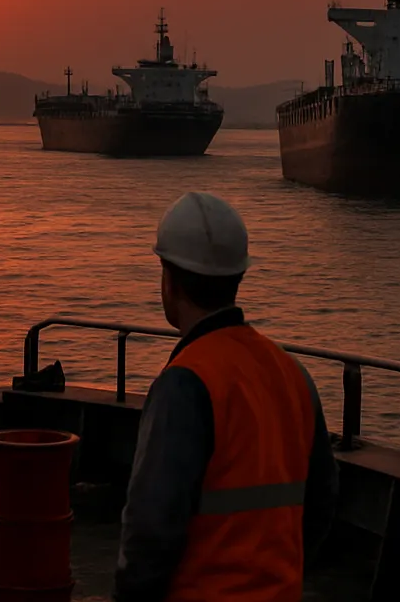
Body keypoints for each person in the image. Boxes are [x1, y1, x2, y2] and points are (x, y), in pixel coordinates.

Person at [115, 191, 339, 602]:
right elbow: (322, 502)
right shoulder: (293, 373)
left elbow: (151, 527)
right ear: (239, 276)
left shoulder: (185, 382)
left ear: (169, 279)